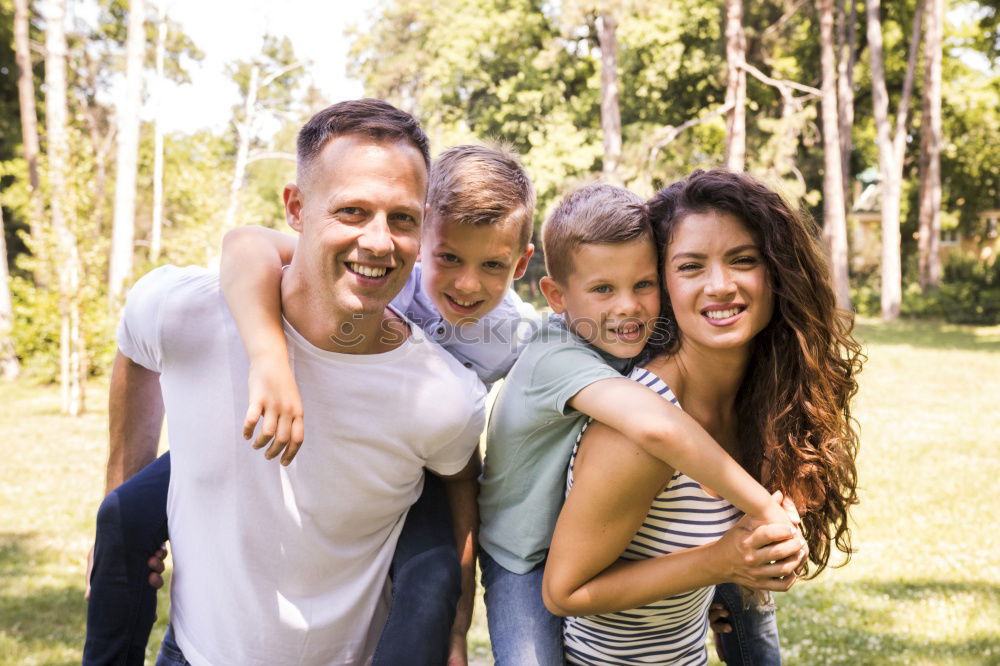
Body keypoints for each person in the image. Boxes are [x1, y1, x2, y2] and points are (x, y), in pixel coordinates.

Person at [84, 141, 538, 665]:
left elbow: (579, 350)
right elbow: (247, 243)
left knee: (431, 580)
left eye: (492, 266)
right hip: (283, 410)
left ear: (520, 264)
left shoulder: (516, 336)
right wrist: (269, 356)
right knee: (120, 517)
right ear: (427, 235)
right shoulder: (384, 263)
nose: (466, 284)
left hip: (422, 451)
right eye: (449, 258)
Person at [541, 169, 862, 664]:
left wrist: (768, 556)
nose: (720, 285)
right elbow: (565, 592)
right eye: (691, 266)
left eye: (743, 260)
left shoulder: (763, 398)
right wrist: (720, 562)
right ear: (663, 285)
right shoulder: (638, 432)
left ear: (776, 272)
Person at [477, 183, 801, 665]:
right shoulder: (557, 356)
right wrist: (768, 509)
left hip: (584, 547)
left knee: (750, 604)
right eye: (604, 288)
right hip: (520, 553)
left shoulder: (625, 345)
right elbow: (659, 428)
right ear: (556, 295)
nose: (628, 306)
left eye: (643, 285)